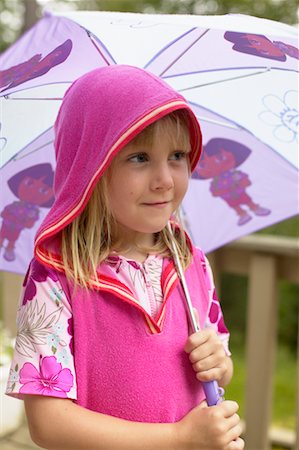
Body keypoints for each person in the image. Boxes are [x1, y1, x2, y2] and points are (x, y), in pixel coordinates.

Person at [6, 65, 244, 450]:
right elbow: (47, 423)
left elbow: (218, 365)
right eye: (139, 158)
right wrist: (178, 439)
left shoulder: (190, 264)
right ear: (90, 169)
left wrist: (221, 364)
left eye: (177, 155)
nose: (165, 179)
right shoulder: (56, 276)